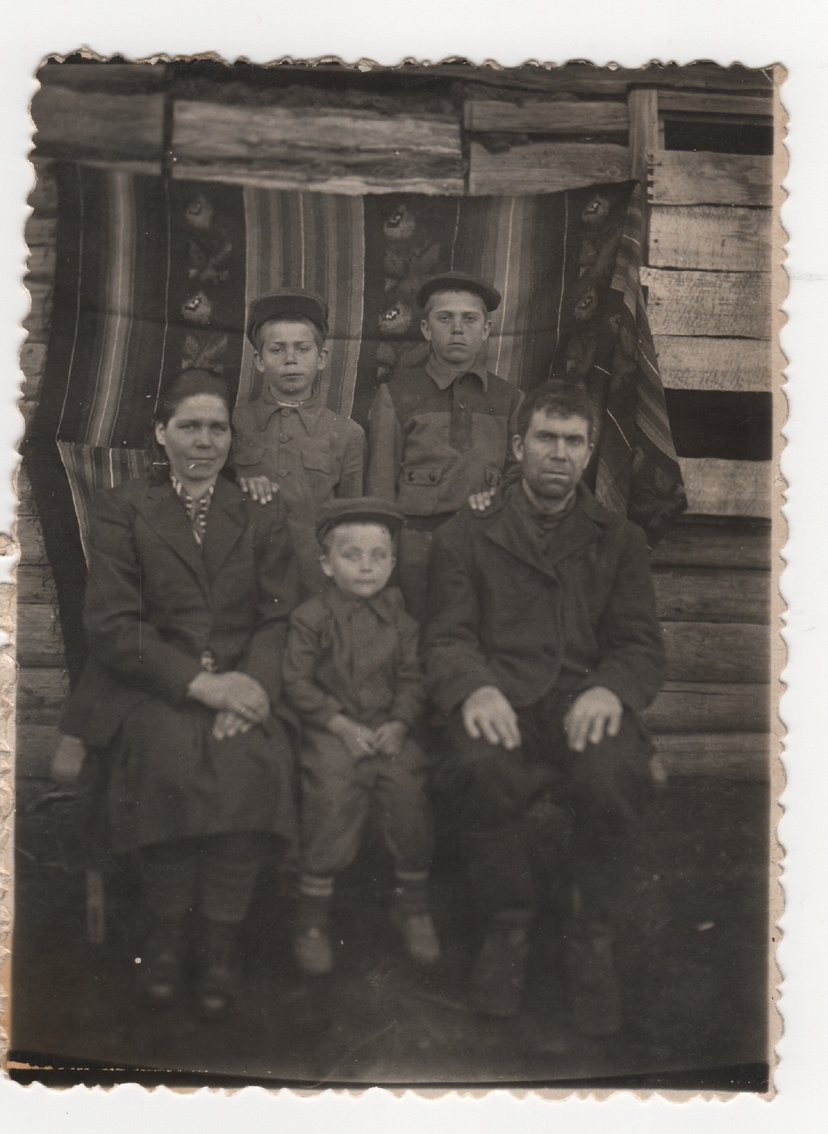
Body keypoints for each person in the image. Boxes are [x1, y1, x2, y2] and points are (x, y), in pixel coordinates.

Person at [55, 369, 298, 1019]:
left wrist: (249, 687)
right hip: (152, 683)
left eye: (217, 427)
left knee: (252, 761)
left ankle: (220, 939)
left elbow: (280, 615)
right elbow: (112, 624)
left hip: (244, 682)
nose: (204, 440)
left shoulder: (259, 508)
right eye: (189, 426)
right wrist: (199, 685)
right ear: (161, 434)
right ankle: (166, 935)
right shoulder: (124, 508)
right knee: (166, 759)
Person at [422, 381, 665, 1028]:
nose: (559, 453)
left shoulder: (619, 538)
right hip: (500, 696)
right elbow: (446, 635)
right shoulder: (464, 534)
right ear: (517, 445)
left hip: (584, 698)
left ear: (587, 455)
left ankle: (593, 939)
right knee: (477, 767)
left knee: (612, 774)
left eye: (573, 442)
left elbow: (639, 643)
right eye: (545, 439)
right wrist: (473, 686)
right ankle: (508, 930)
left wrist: (609, 689)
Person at [282, 497, 440, 977]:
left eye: (378, 556)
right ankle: (312, 918)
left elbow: (414, 680)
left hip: (389, 731)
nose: (366, 566)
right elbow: (297, 682)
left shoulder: (403, 621)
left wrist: (400, 724)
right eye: (352, 555)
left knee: (409, 791)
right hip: (333, 731)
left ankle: (412, 905)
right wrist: (338, 723)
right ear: (327, 564)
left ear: (393, 562)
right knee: (330, 792)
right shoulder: (311, 618)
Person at [365, 271, 522, 618]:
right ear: (425, 330)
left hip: (486, 544)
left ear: (485, 331)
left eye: (469, 319)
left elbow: (517, 483)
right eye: (444, 318)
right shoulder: (396, 395)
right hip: (417, 549)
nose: (457, 328)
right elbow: (380, 487)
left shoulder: (510, 399)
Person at [232, 287, 366, 597]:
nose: (291, 360)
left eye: (302, 349)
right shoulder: (234, 423)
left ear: (321, 358)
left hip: (314, 579)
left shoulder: (347, 434)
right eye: (277, 350)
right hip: (246, 575)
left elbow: (350, 520)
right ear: (259, 360)